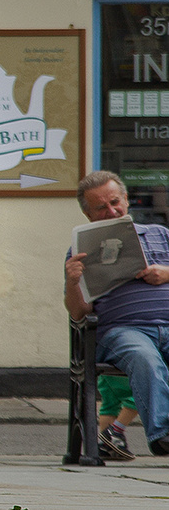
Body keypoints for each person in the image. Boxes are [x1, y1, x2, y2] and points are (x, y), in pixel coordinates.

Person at [64, 169, 169, 459]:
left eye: (115, 202)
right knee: (144, 357)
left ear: (126, 200)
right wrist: (73, 282)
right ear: (88, 215)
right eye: (101, 207)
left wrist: (166, 273)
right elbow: (79, 313)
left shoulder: (161, 235)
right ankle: (164, 435)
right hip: (124, 330)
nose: (111, 211)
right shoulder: (80, 251)